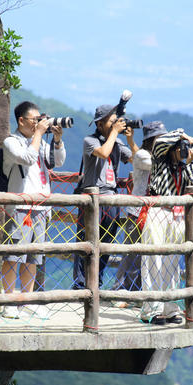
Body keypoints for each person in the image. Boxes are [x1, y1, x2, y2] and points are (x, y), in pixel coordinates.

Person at [1, 101, 66, 319]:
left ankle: (26, 300)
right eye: (34, 120)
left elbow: (58, 162)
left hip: (40, 207)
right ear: (21, 121)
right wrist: (39, 133)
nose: (39, 123)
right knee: (13, 255)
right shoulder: (11, 142)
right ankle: (8, 301)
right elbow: (28, 158)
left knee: (33, 257)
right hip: (20, 207)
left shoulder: (39, 142)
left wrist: (57, 140)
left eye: (40, 119)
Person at [72, 104, 139, 289]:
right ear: (100, 124)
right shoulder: (90, 140)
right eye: (112, 122)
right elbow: (103, 153)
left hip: (111, 199)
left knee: (106, 244)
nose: (115, 124)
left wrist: (131, 140)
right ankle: (80, 284)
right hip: (92, 199)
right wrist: (115, 135)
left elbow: (137, 159)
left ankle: (96, 284)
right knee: (85, 242)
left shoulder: (116, 141)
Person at [140, 128, 193, 325]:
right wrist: (182, 135)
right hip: (158, 210)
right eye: (181, 148)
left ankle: (170, 308)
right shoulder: (159, 160)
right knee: (153, 260)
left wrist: (190, 164)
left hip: (176, 215)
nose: (184, 151)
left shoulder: (183, 168)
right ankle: (151, 310)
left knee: (172, 263)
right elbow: (160, 142)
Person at [112, 121, 168, 302]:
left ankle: (139, 294)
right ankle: (120, 292)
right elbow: (155, 164)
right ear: (152, 139)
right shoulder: (143, 155)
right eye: (161, 138)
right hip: (138, 211)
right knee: (132, 254)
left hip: (155, 214)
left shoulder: (154, 155)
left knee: (148, 255)